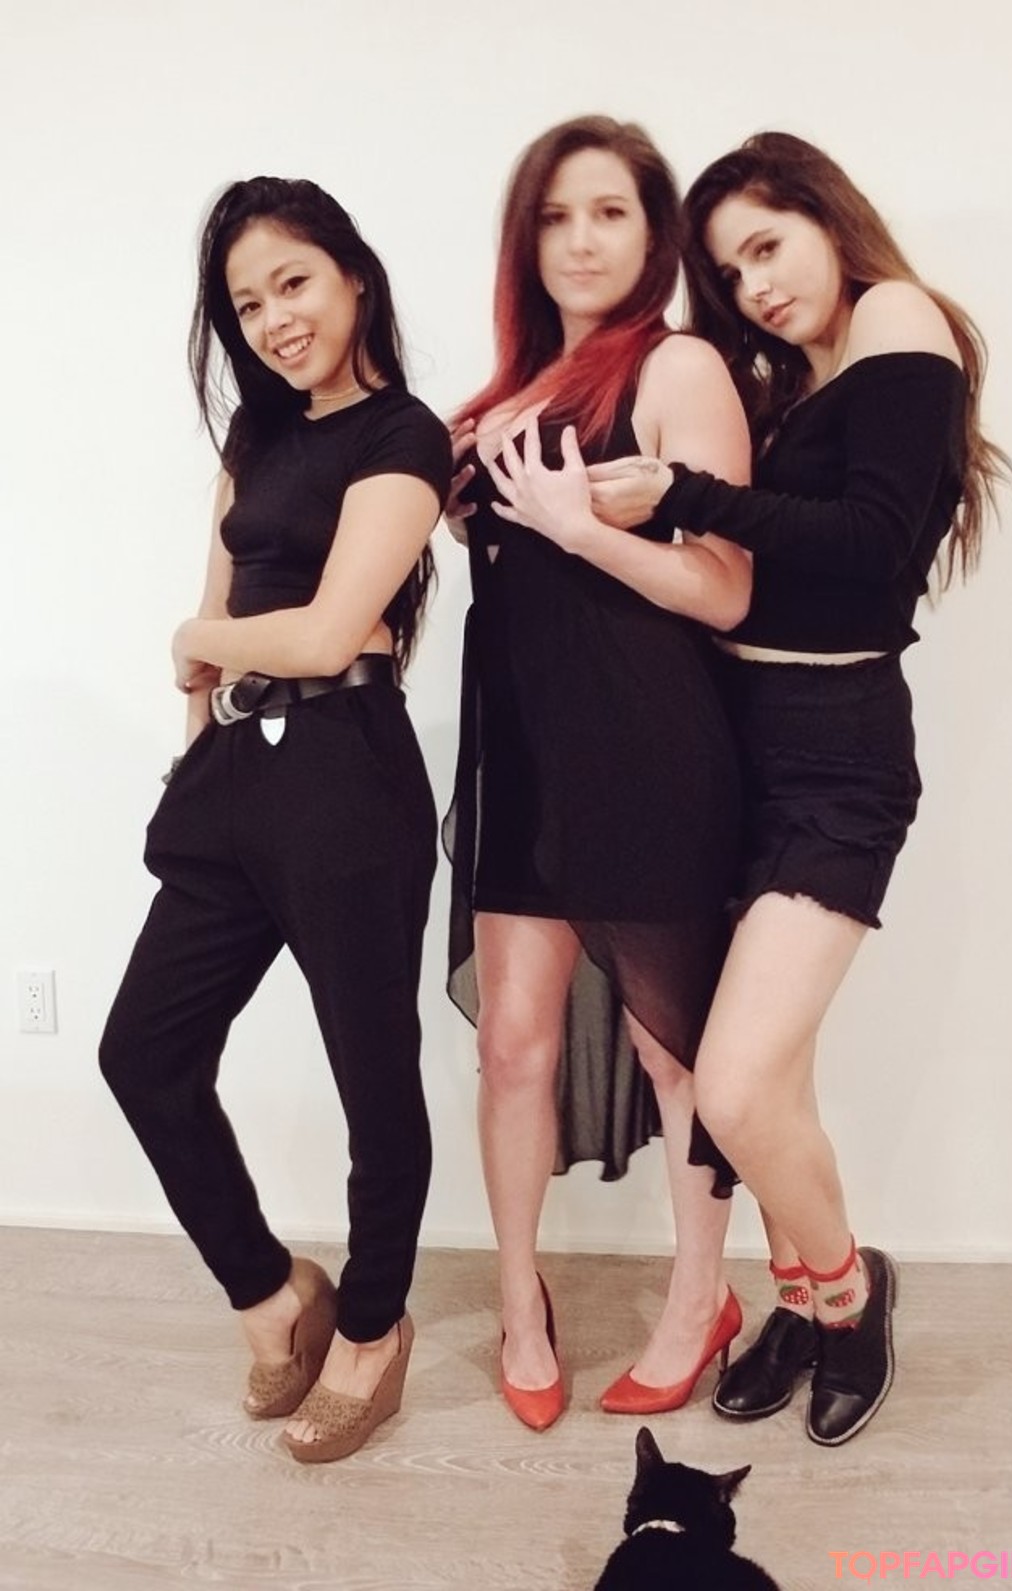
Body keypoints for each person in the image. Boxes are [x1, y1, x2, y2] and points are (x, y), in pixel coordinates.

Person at [494, 131, 1009, 1445]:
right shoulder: (799, 374)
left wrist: (682, 491)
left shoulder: (897, 318)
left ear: (832, 219)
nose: (757, 288)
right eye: (730, 272)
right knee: (769, 1078)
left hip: (837, 755)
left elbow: (872, 539)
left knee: (729, 1083)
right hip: (734, 742)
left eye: (769, 247)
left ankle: (847, 1291)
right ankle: (790, 1297)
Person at [99, 177, 451, 1465]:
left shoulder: (407, 437)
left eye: (292, 282)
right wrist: (197, 738)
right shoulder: (253, 441)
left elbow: (321, 631)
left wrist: (196, 640)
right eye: (247, 305)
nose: (274, 319)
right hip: (237, 778)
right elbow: (222, 630)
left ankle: (371, 1330)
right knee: (144, 1054)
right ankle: (270, 1295)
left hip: (350, 776)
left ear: (352, 275)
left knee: (373, 1078)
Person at [444, 116, 753, 1430]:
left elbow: (727, 590)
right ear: (527, 238)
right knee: (513, 1046)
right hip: (521, 756)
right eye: (557, 215)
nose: (581, 240)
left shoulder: (677, 366)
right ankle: (523, 1303)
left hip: (649, 751)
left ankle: (701, 1301)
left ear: (653, 232)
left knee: (678, 1056)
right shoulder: (500, 400)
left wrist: (580, 529)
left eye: (610, 212)